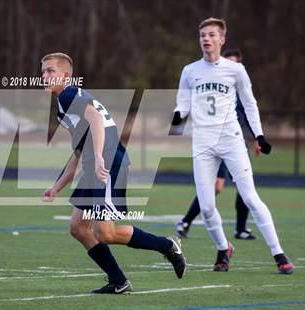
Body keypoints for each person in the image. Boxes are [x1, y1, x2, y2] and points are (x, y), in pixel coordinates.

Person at [40, 52, 186, 294]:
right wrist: (56, 187)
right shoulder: (63, 104)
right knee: (78, 227)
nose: (45, 76)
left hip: (107, 165)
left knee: (104, 232)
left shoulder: (68, 94)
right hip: (94, 167)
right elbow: (77, 155)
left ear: (66, 76)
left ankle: (167, 245)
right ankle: (119, 281)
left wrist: (98, 157)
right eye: (43, 71)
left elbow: (96, 119)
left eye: (50, 71)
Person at [171, 18, 294, 274]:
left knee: (250, 197)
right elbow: (182, 103)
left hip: (231, 140)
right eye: (203, 34)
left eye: (212, 34)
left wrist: (259, 136)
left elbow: (249, 103)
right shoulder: (190, 70)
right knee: (206, 207)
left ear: (222, 40)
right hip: (203, 143)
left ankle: (278, 253)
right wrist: (177, 117)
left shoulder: (235, 70)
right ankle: (222, 250)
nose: (206, 38)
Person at [176, 49, 260, 240]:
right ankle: (186, 221)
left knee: (244, 188)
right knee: (216, 186)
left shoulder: (238, 87)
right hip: (212, 140)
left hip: (234, 141)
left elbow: (249, 114)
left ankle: (240, 229)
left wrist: (256, 139)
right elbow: (186, 105)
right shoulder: (205, 81)